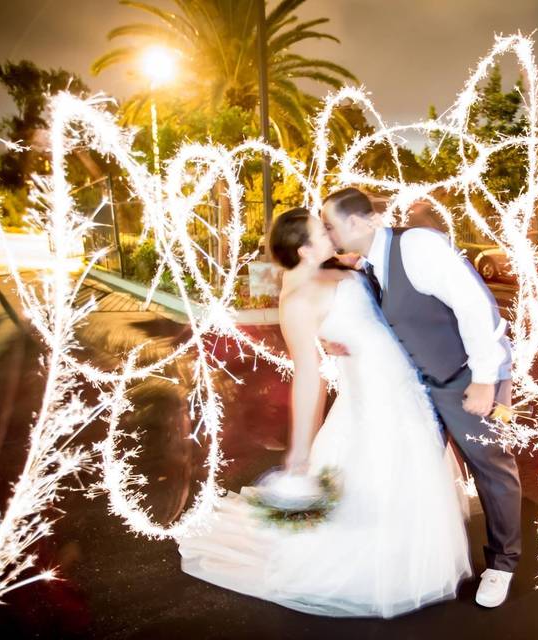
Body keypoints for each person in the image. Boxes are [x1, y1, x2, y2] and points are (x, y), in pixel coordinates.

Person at [177, 207, 472, 617]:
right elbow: (308, 378)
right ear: (302, 249)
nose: (332, 235)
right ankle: (379, 568)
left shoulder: (339, 267)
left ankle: (410, 551)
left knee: (414, 468)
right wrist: (301, 449)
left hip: (407, 386)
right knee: (378, 473)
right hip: (372, 399)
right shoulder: (297, 300)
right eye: (322, 232)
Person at [320, 187, 520, 608]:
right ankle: (421, 555)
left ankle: (502, 565)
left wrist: (484, 378)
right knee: (420, 467)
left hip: (468, 376)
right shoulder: (368, 265)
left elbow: (472, 304)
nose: (327, 233)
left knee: (491, 467)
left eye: (330, 224)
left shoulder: (417, 246)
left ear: (356, 222)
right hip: (421, 384)